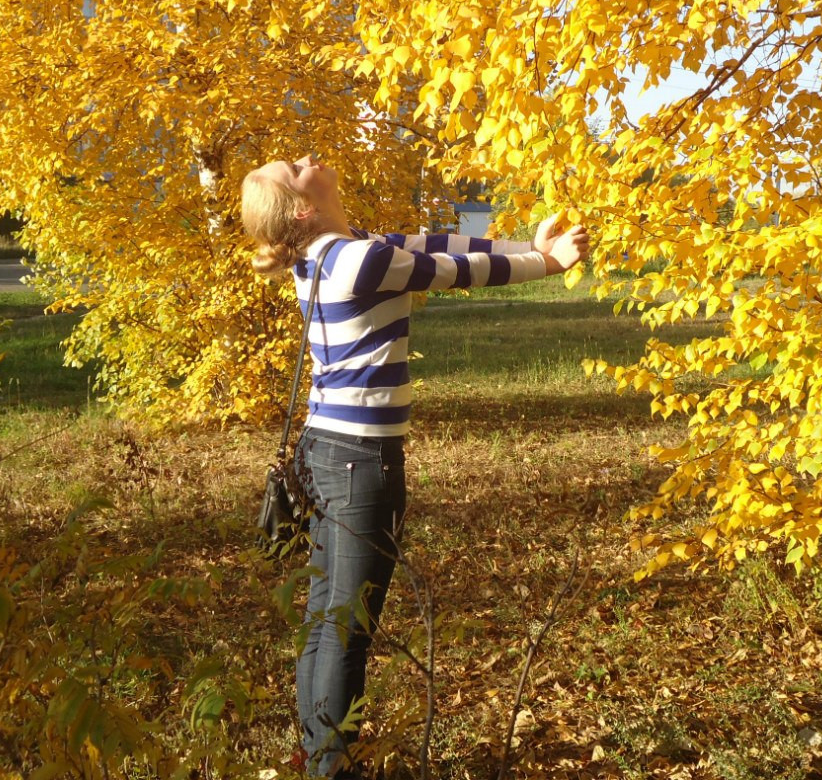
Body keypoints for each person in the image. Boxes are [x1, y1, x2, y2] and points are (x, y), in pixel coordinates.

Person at [240, 153, 589, 778]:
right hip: (358, 460)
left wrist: (529, 246)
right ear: (303, 207)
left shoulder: (341, 251)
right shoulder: (359, 260)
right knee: (347, 625)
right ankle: (331, 768)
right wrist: (548, 263)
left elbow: (439, 244)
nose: (310, 157)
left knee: (326, 615)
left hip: (328, 451)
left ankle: (319, 755)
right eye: (296, 166)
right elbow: (454, 270)